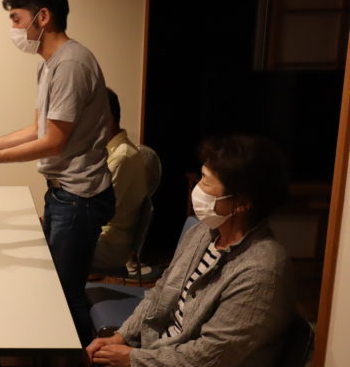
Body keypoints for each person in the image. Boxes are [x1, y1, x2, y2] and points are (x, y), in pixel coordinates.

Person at [0, 0, 115, 345]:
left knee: (66, 294)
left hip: (80, 196)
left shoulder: (72, 63)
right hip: (63, 192)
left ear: (43, 17)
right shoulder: (48, 63)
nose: (13, 28)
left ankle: (82, 356)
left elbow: (53, 142)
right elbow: (37, 128)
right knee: (56, 289)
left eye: (16, 18)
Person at [87, 135, 295, 367]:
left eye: (206, 182)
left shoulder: (261, 272)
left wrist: (132, 358)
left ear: (242, 203)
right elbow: (160, 292)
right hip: (156, 350)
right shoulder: (204, 232)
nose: (197, 189)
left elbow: (208, 357)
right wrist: (121, 336)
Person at [91, 88, 149, 275]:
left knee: (53, 249)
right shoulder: (108, 150)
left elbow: (97, 210)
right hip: (104, 234)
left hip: (112, 243)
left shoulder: (122, 156)